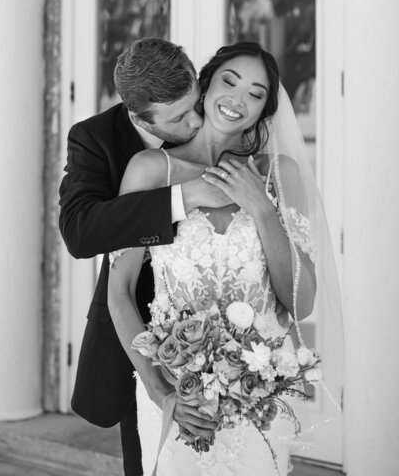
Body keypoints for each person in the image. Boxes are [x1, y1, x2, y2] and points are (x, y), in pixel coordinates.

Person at [107, 41, 324, 475]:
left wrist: (261, 207)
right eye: (230, 81)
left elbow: (301, 304)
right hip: (179, 393)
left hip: (258, 397)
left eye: (256, 93)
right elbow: (120, 291)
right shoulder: (151, 171)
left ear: (265, 109)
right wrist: (160, 393)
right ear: (203, 87)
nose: (238, 98)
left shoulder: (281, 175)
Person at [59, 38, 236, 476]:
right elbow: (80, 232)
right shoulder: (94, 138)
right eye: (178, 117)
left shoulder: (219, 118)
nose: (197, 120)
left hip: (230, 332)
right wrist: (181, 197)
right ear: (139, 117)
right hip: (139, 334)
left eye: (195, 102)